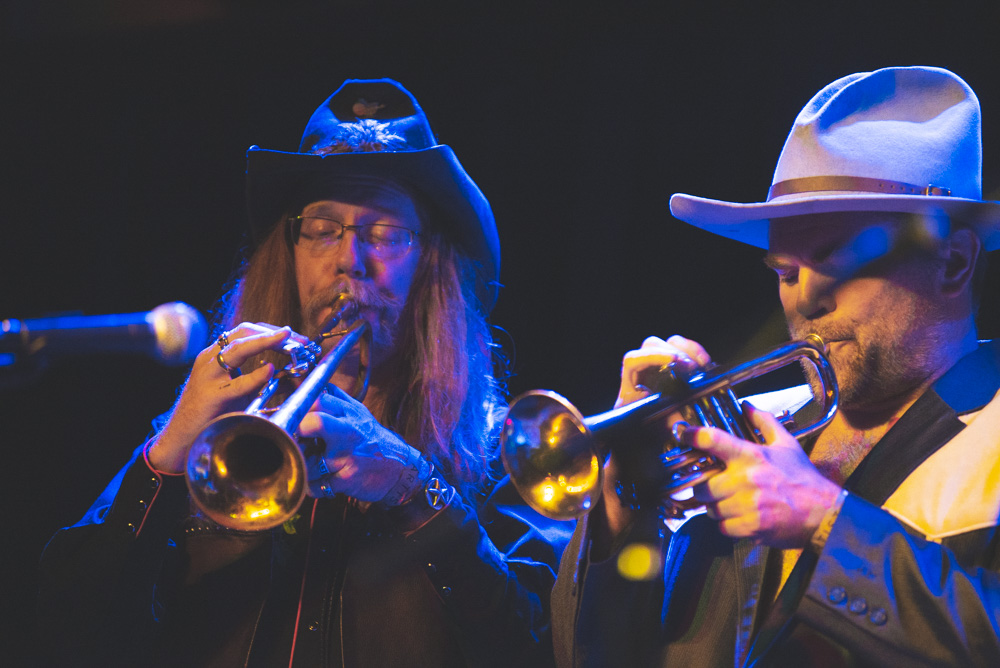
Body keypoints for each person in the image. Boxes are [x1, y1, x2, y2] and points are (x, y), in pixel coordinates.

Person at [37, 79, 567, 667]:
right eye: (321, 230)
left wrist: (417, 490)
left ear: (430, 267)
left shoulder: (501, 450)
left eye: (386, 234)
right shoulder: (213, 433)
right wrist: (165, 458)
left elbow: (538, 647)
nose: (349, 260)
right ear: (288, 253)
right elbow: (67, 631)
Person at [551, 66, 1000, 667]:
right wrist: (624, 495)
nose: (803, 301)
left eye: (838, 262)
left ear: (952, 262)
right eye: (786, 272)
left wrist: (825, 522)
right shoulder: (742, 430)